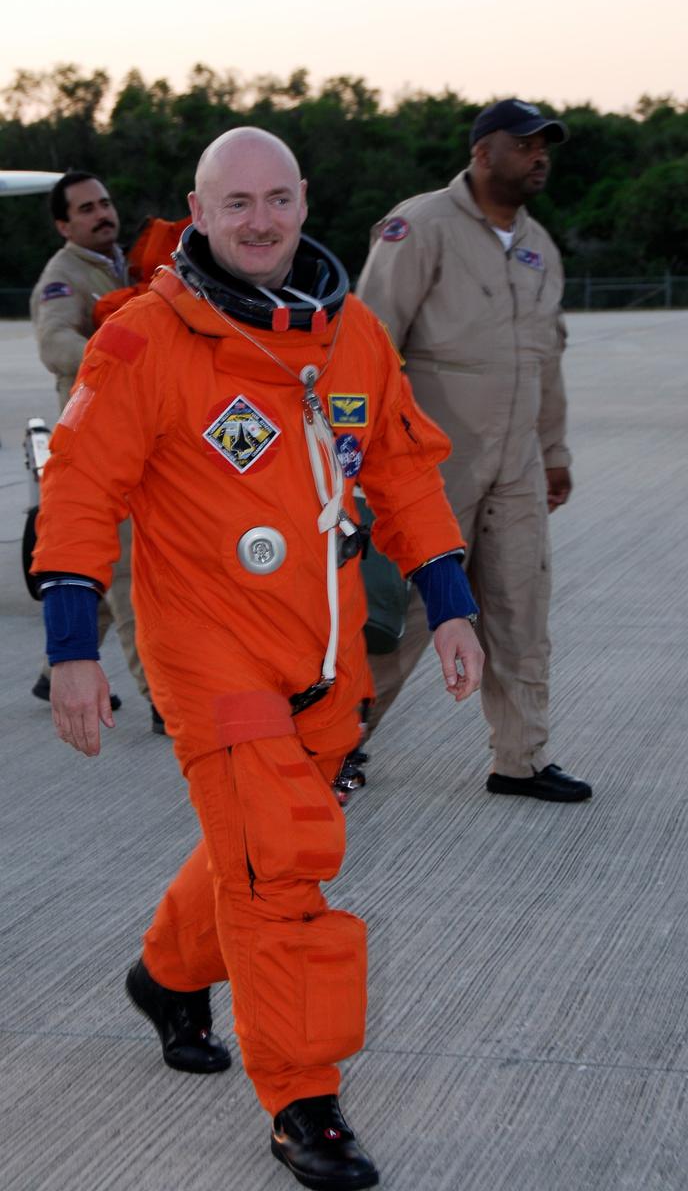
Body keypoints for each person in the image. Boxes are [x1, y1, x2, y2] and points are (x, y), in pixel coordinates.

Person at [32, 127, 484, 1191]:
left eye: (277, 198)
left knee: (250, 839)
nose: (260, 220)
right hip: (204, 646)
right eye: (234, 203)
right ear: (196, 211)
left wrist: (450, 604)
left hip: (320, 650)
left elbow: (406, 474)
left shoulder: (352, 334)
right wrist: (71, 649)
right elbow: (83, 491)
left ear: (302, 200)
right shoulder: (142, 340)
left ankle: (167, 972)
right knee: (281, 855)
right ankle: (303, 1097)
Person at [357, 98, 592, 804]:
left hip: (517, 464)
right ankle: (334, 744)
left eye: (545, 146)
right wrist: (363, 456)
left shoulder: (537, 246)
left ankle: (520, 759)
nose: (539, 156)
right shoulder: (419, 227)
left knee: (522, 610)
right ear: (483, 151)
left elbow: (546, 361)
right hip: (432, 462)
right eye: (525, 145)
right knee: (405, 614)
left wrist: (553, 452)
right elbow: (368, 347)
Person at [30, 171, 161, 731]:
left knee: (108, 571)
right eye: (86, 209)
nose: (101, 214)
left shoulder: (121, 264)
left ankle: (45, 675)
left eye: (105, 203)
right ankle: (164, 700)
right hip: (96, 443)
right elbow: (54, 342)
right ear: (64, 224)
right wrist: (113, 359)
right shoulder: (61, 278)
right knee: (131, 573)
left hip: (135, 433)